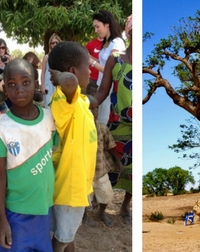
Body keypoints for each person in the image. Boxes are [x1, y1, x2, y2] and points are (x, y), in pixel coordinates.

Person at [0, 59, 57, 251]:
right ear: (5, 88)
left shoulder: (49, 117)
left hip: (44, 210)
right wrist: (2, 219)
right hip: (16, 214)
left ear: (36, 84)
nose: (19, 88)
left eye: (26, 82)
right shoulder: (0, 126)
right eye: (11, 84)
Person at [47, 41, 97, 252]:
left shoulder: (79, 101)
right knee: (61, 239)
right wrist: (57, 76)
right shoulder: (63, 98)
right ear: (74, 72)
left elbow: (94, 98)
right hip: (70, 186)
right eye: (88, 66)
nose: (91, 71)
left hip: (78, 184)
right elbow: (68, 82)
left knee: (69, 234)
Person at [96, 14, 133, 223]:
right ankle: (102, 208)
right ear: (128, 32)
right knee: (109, 166)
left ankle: (125, 207)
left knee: (133, 171)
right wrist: (86, 102)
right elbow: (102, 91)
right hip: (117, 123)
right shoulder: (116, 57)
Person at [83, 95, 121, 228]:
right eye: (90, 109)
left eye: (96, 108)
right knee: (84, 199)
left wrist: (118, 161)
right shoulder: (79, 128)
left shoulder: (102, 128)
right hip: (84, 173)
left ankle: (101, 212)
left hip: (100, 170)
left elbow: (110, 146)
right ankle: (85, 217)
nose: (94, 112)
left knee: (106, 194)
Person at [91, 10, 126, 124]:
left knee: (105, 121)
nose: (96, 31)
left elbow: (112, 70)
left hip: (110, 90)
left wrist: (91, 62)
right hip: (101, 87)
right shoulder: (107, 43)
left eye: (97, 26)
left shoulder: (117, 43)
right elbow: (104, 62)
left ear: (107, 24)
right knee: (100, 120)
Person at [41, 34, 62, 107]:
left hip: (59, 84)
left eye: (57, 42)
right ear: (50, 45)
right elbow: (43, 73)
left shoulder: (62, 57)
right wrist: (43, 86)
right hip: (48, 84)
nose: (55, 44)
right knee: (48, 104)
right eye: (53, 43)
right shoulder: (46, 57)